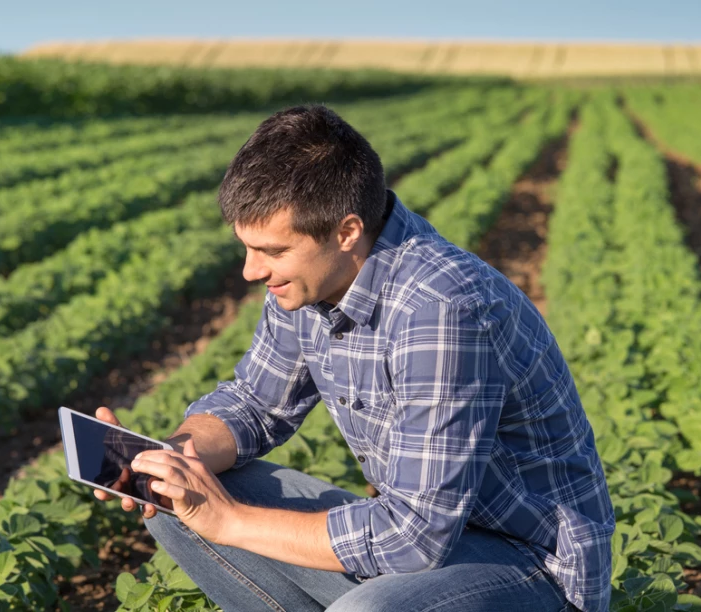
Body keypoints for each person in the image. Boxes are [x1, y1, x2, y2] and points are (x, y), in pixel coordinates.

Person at [93, 103, 614, 612]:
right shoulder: (312, 280)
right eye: (247, 247)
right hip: (423, 543)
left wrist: (229, 520)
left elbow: (415, 537)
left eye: (273, 251)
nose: (252, 271)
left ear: (346, 233)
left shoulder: (440, 309)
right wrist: (169, 458)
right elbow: (257, 403)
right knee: (171, 499)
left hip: (529, 565)